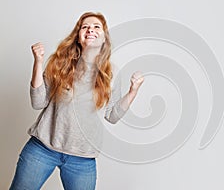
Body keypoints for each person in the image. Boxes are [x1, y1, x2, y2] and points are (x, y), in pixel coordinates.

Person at [9, 12, 144, 190]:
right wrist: (38, 62)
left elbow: (112, 116)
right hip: (43, 149)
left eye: (97, 27)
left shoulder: (111, 73)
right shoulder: (60, 64)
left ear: (104, 39)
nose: (91, 30)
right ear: (78, 37)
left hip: (82, 158)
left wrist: (133, 91)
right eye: (85, 26)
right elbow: (38, 102)